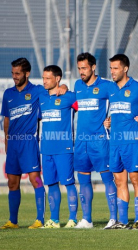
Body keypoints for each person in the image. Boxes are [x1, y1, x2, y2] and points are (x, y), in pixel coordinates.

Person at [0, 58, 66, 229]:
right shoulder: (8, 94)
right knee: (12, 183)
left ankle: (39, 219)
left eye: (18, 73)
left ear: (27, 74)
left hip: (29, 142)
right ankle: (13, 221)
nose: (14, 76)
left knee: (35, 179)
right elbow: (6, 119)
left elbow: (55, 89)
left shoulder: (37, 91)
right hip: (13, 144)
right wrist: (7, 140)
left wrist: (63, 87)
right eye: (13, 73)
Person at [103, 54, 138, 230]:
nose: (112, 72)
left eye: (115, 68)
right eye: (111, 68)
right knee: (119, 181)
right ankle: (123, 222)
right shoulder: (110, 88)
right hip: (115, 142)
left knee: (135, 179)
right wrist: (107, 122)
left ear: (125, 68)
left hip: (132, 140)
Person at [73, 52, 117, 229]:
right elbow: (73, 104)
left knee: (107, 178)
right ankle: (87, 219)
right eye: (79, 69)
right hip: (81, 141)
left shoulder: (107, 86)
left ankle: (113, 218)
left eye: (84, 68)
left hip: (100, 140)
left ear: (93, 67)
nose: (81, 72)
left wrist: (111, 119)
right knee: (83, 179)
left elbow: (121, 103)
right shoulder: (77, 85)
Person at [39, 65, 79, 228]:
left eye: (48, 78)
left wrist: (65, 88)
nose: (44, 81)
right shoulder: (41, 97)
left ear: (57, 78)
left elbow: (85, 111)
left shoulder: (70, 97)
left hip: (64, 149)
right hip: (46, 149)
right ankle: (54, 220)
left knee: (68, 183)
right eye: (43, 78)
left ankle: (72, 219)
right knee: (51, 184)